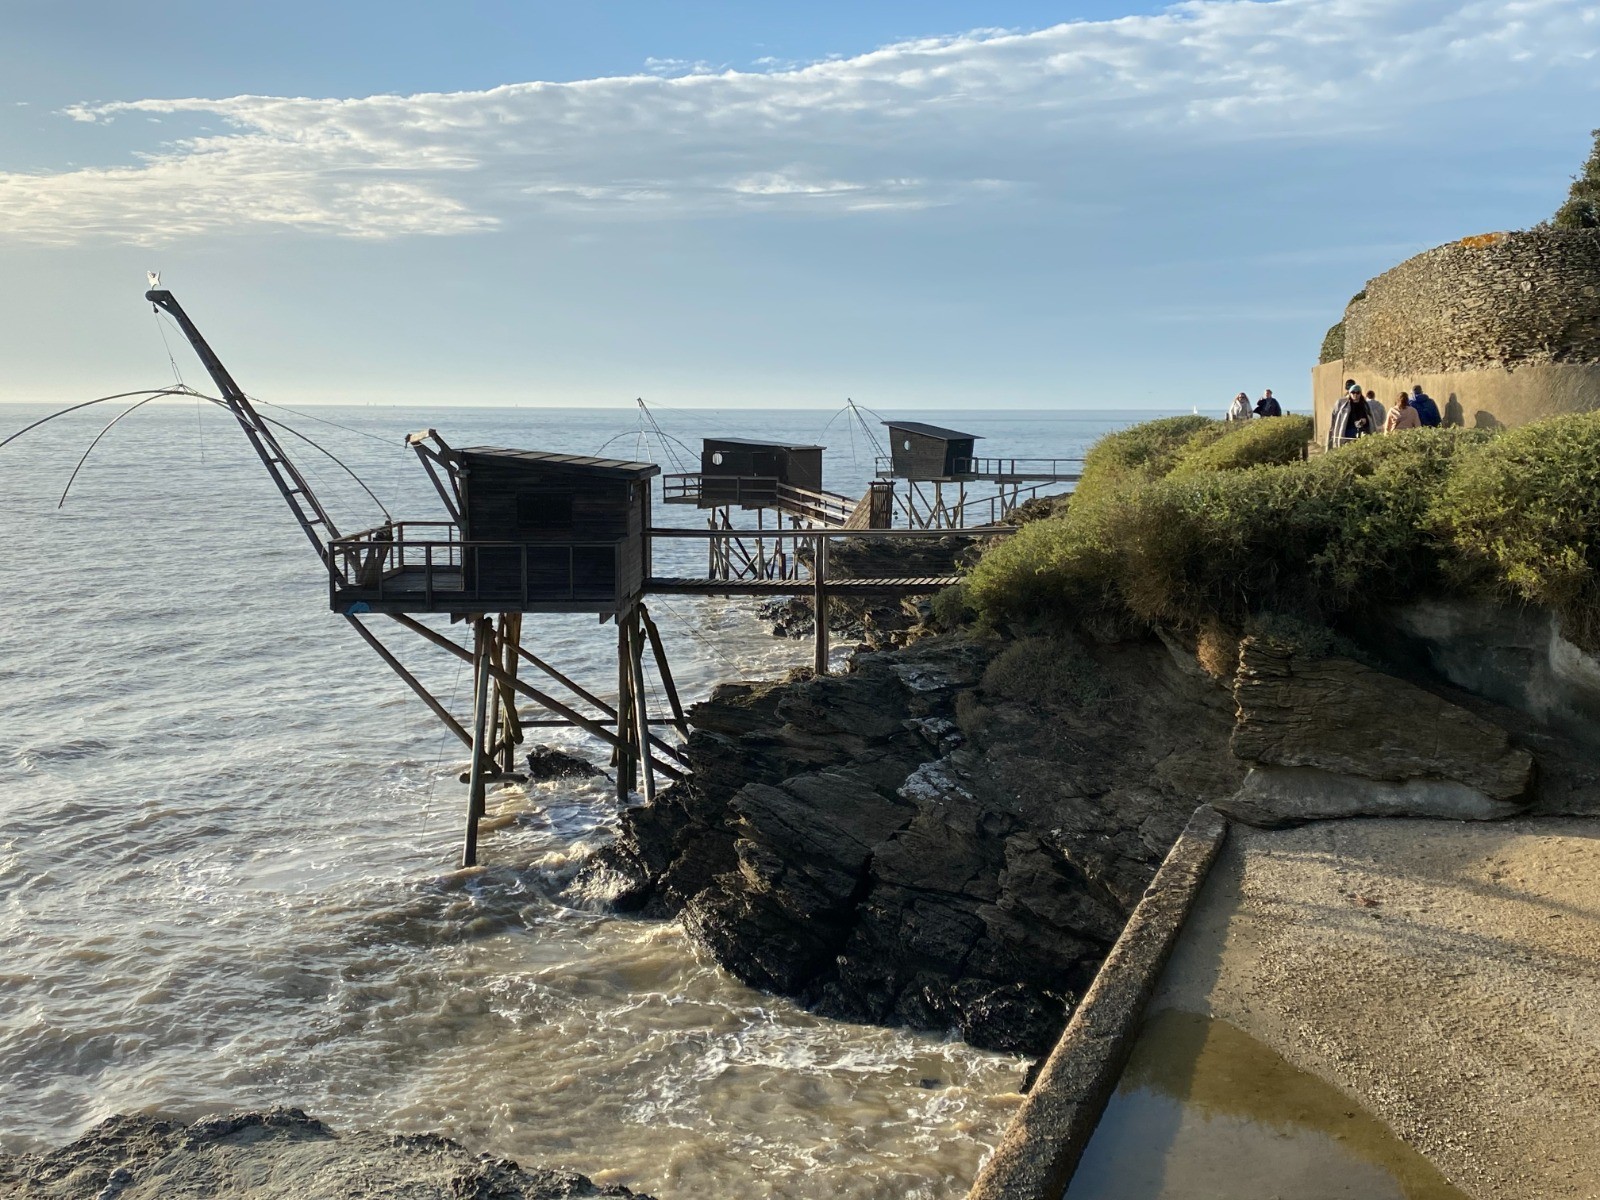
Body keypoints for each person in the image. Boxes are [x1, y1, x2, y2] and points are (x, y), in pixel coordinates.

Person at [1327, 383, 1373, 447]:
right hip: (1348, 433)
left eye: (1357, 392)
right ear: (1350, 393)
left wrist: (1365, 421)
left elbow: (1370, 418)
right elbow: (1339, 420)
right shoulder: (1345, 406)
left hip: (1362, 432)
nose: (1355, 394)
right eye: (1353, 392)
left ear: (1360, 393)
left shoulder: (1365, 405)